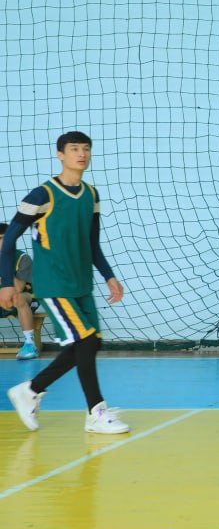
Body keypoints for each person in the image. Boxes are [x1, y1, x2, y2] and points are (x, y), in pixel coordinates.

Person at [3, 131, 129, 434]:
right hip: (54, 284)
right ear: (60, 154)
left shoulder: (91, 195)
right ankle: (95, 412)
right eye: (74, 149)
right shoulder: (42, 195)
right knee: (85, 341)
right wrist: (7, 282)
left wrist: (109, 275)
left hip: (81, 283)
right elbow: (8, 239)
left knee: (92, 342)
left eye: (86, 149)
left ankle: (30, 390)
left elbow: (92, 243)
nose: (81, 154)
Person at [0, 223, 39, 359]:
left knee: (18, 298)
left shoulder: (23, 258)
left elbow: (17, 288)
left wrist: (5, 261)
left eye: (1, 238)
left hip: (26, 299)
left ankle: (29, 344)